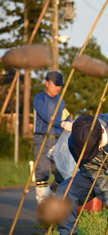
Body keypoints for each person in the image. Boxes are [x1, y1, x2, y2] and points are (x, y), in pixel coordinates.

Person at [33, 71, 73, 204]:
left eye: (60, 86)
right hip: (42, 139)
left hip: (58, 140)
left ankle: (51, 197)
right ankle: (42, 204)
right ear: (47, 83)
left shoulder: (60, 100)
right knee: (42, 171)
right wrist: (62, 123)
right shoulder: (40, 99)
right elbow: (47, 117)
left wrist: (71, 124)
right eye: (56, 85)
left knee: (61, 173)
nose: (58, 88)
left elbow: (65, 115)